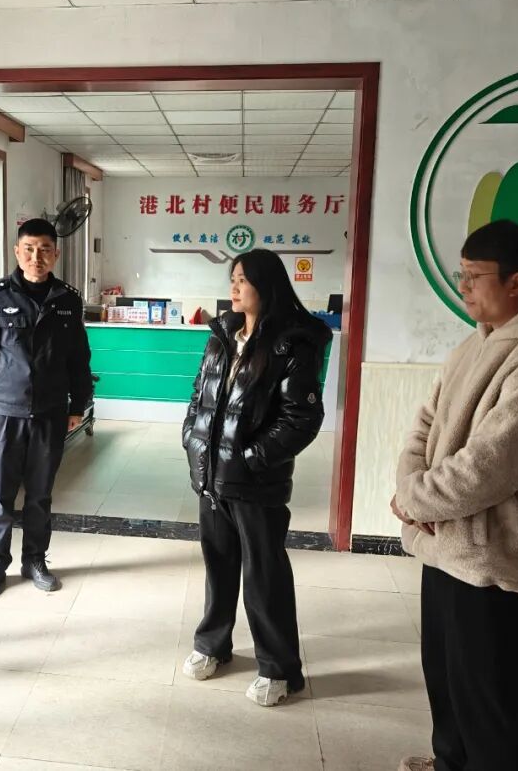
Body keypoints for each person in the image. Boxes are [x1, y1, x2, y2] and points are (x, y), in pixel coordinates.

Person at [392, 220, 518, 771]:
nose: (463, 287)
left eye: (473, 277)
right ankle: (449, 763)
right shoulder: (474, 345)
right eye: (461, 275)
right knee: (446, 682)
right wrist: (411, 492)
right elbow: (423, 426)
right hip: (444, 545)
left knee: (488, 702)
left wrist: (414, 502)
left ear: (516, 282)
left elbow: (489, 468)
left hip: (492, 560)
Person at [180, 248, 330, 707]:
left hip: (255, 482)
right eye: (233, 278)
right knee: (218, 566)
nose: (234, 287)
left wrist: (250, 458)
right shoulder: (223, 335)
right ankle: (213, 645)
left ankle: (280, 668)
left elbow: (301, 419)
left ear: (267, 285)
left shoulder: (291, 344)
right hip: (211, 475)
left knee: (264, 576)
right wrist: (192, 438)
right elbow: (199, 394)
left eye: (243, 280)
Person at [0, 217, 92, 599]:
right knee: (0, 494)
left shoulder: (67, 300)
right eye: (30, 249)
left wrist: (78, 404)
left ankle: (35, 560)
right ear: (17, 252)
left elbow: (78, 358)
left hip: (50, 413)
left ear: (56, 254)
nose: (37, 257)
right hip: (5, 413)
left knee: (40, 494)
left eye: (45, 250)